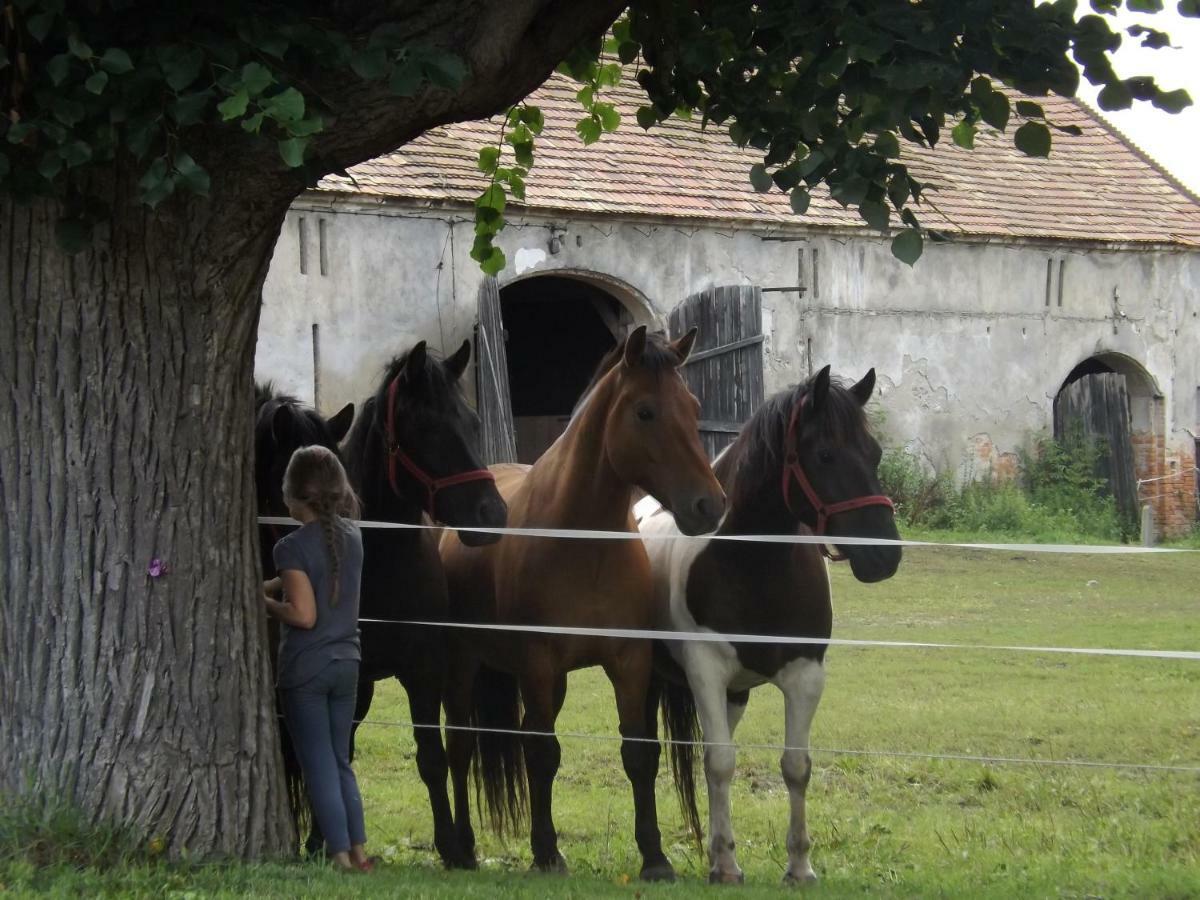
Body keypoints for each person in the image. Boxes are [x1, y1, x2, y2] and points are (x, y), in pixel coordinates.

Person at [262, 445, 371, 874]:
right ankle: (359, 851)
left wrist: (265, 602)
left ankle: (339, 855)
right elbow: (322, 575)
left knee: (318, 764)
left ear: (291, 496)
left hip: (306, 669)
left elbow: (303, 613)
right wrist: (275, 584)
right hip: (348, 662)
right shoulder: (353, 537)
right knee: (340, 760)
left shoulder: (290, 548)